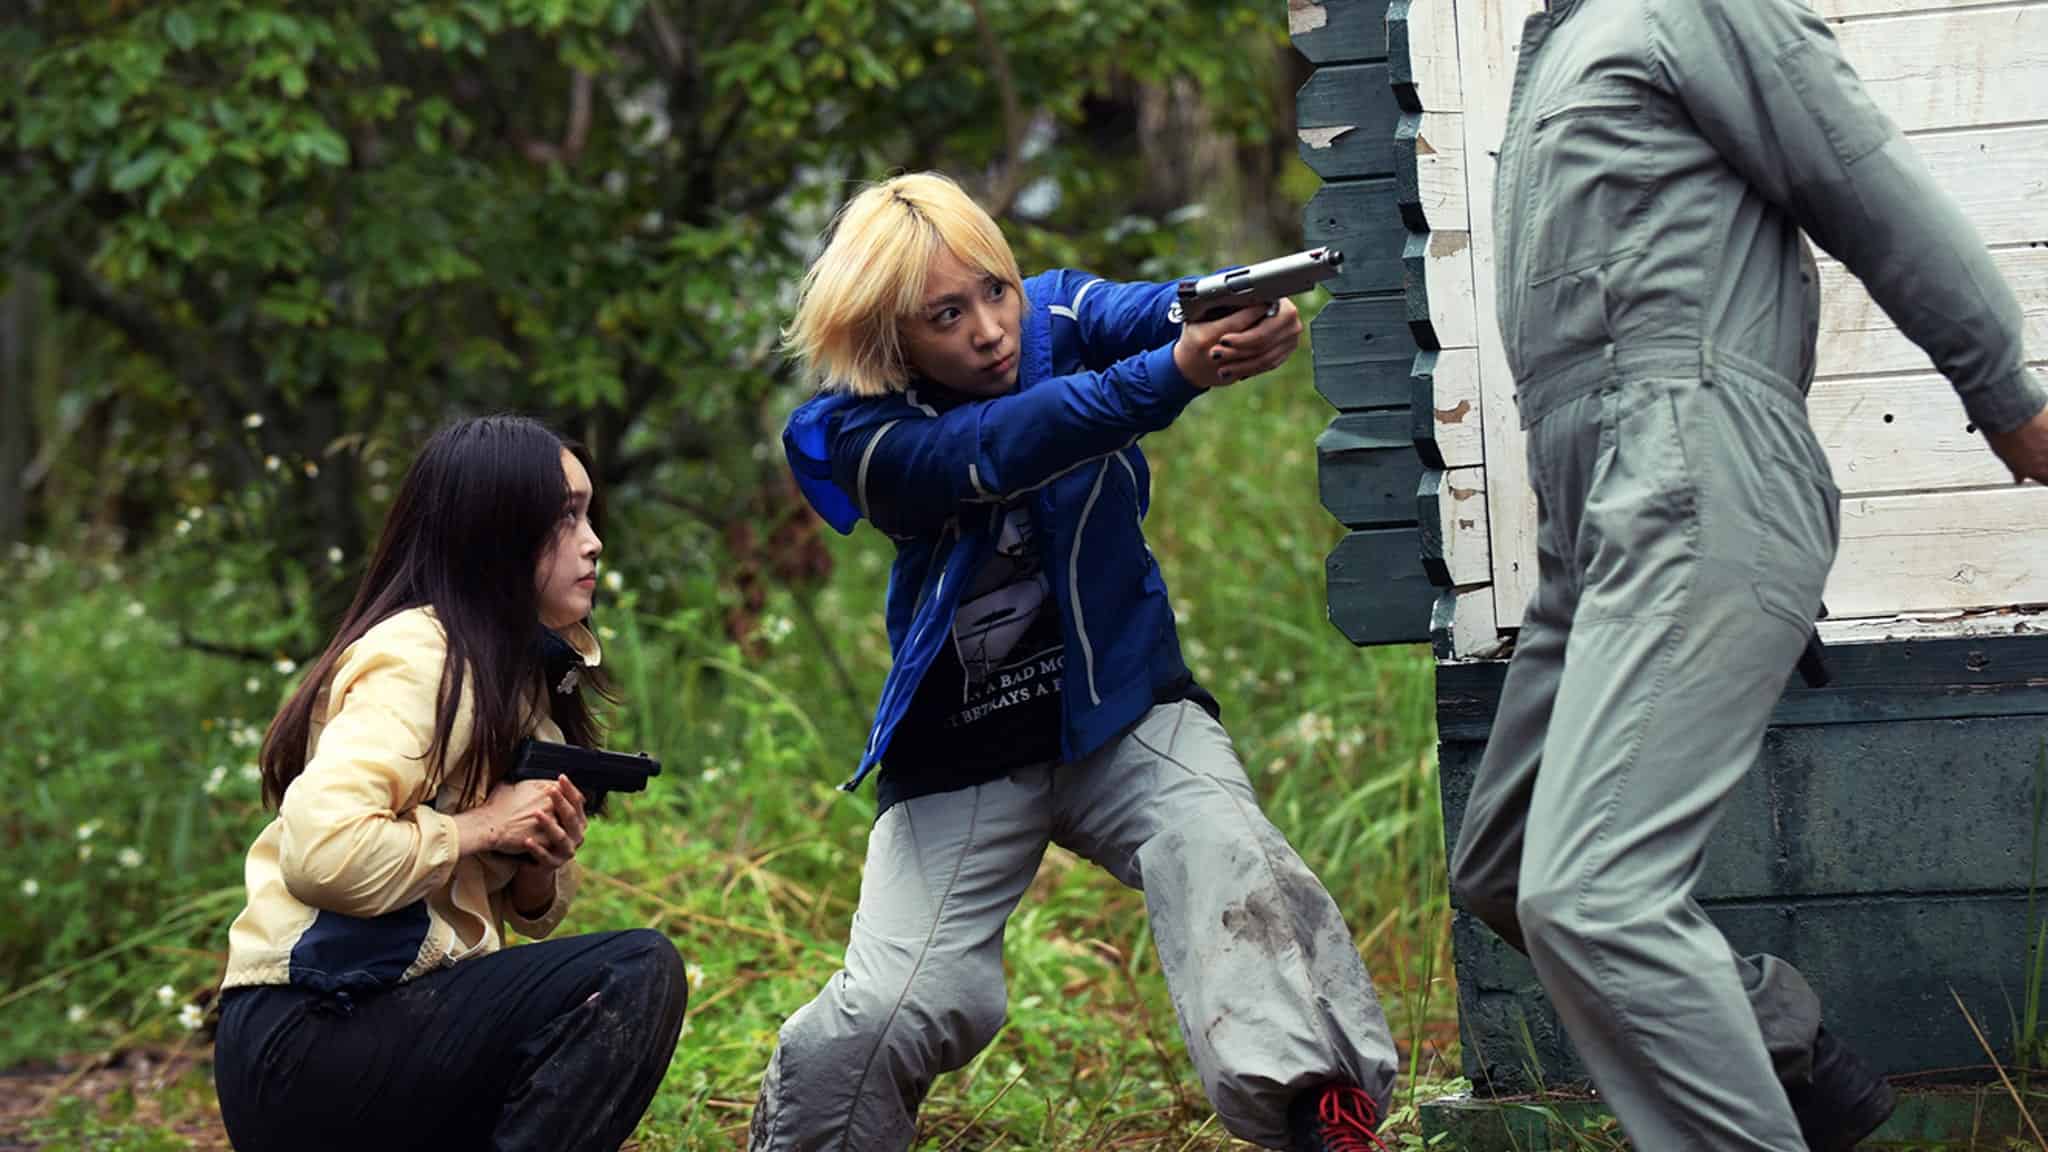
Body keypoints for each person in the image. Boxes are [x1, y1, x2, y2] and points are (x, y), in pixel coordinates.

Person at [1447, 1, 2048, 1149]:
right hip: (1593, 509)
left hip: (1692, 461)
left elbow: (1865, 183)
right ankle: (1778, 1046)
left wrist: (2004, 392)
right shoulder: (1562, 39)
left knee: (1593, 898)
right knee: (1508, 864)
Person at [751, 171, 1398, 1152]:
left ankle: (1324, 1117)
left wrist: (1226, 308)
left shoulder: (1058, 312)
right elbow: (1006, 444)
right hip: (960, 749)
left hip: (1126, 717)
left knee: (1227, 859)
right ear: (891, 340)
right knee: (896, 1004)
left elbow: (1147, 310)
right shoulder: (861, 436)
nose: (988, 330)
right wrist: (1176, 373)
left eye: (994, 291)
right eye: (946, 315)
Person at [211, 415, 688, 1152]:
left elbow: (516, 915)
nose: (592, 541)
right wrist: (486, 827)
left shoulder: (516, 680)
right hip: (308, 1036)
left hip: (386, 1029)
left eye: (588, 514)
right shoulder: (420, 657)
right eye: (565, 518)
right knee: (634, 971)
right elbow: (323, 851)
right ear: (493, 534)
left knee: (608, 981)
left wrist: (538, 858)